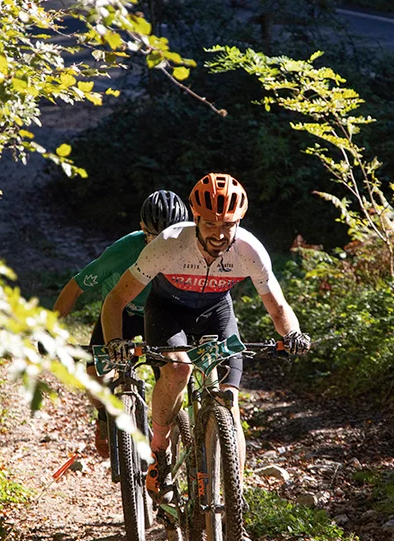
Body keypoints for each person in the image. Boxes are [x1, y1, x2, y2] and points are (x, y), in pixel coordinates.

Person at [100, 173, 311, 506]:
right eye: (210, 223)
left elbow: (278, 307)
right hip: (167, 310)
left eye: (228, 224)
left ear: (239, 221)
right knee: (178, 370)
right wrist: (115, 341)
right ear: (195, 218)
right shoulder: (168, 243)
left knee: (230, 401)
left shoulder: (249, 250)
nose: (219, 233)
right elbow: (116, 299)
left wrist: (292, 335)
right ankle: (159, 451)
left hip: (216, 311)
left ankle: (234, 500)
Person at [52, 190, 189, 458]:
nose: (162, 244)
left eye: (170, 236)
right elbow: (76, 286)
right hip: (121, 312)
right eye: (153, 236)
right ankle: (104, 415)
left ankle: (167, 440)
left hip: (162, 315)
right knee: (94, 375)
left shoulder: (189, 248)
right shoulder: (124, 250)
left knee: (174, 376)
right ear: (142, 229)